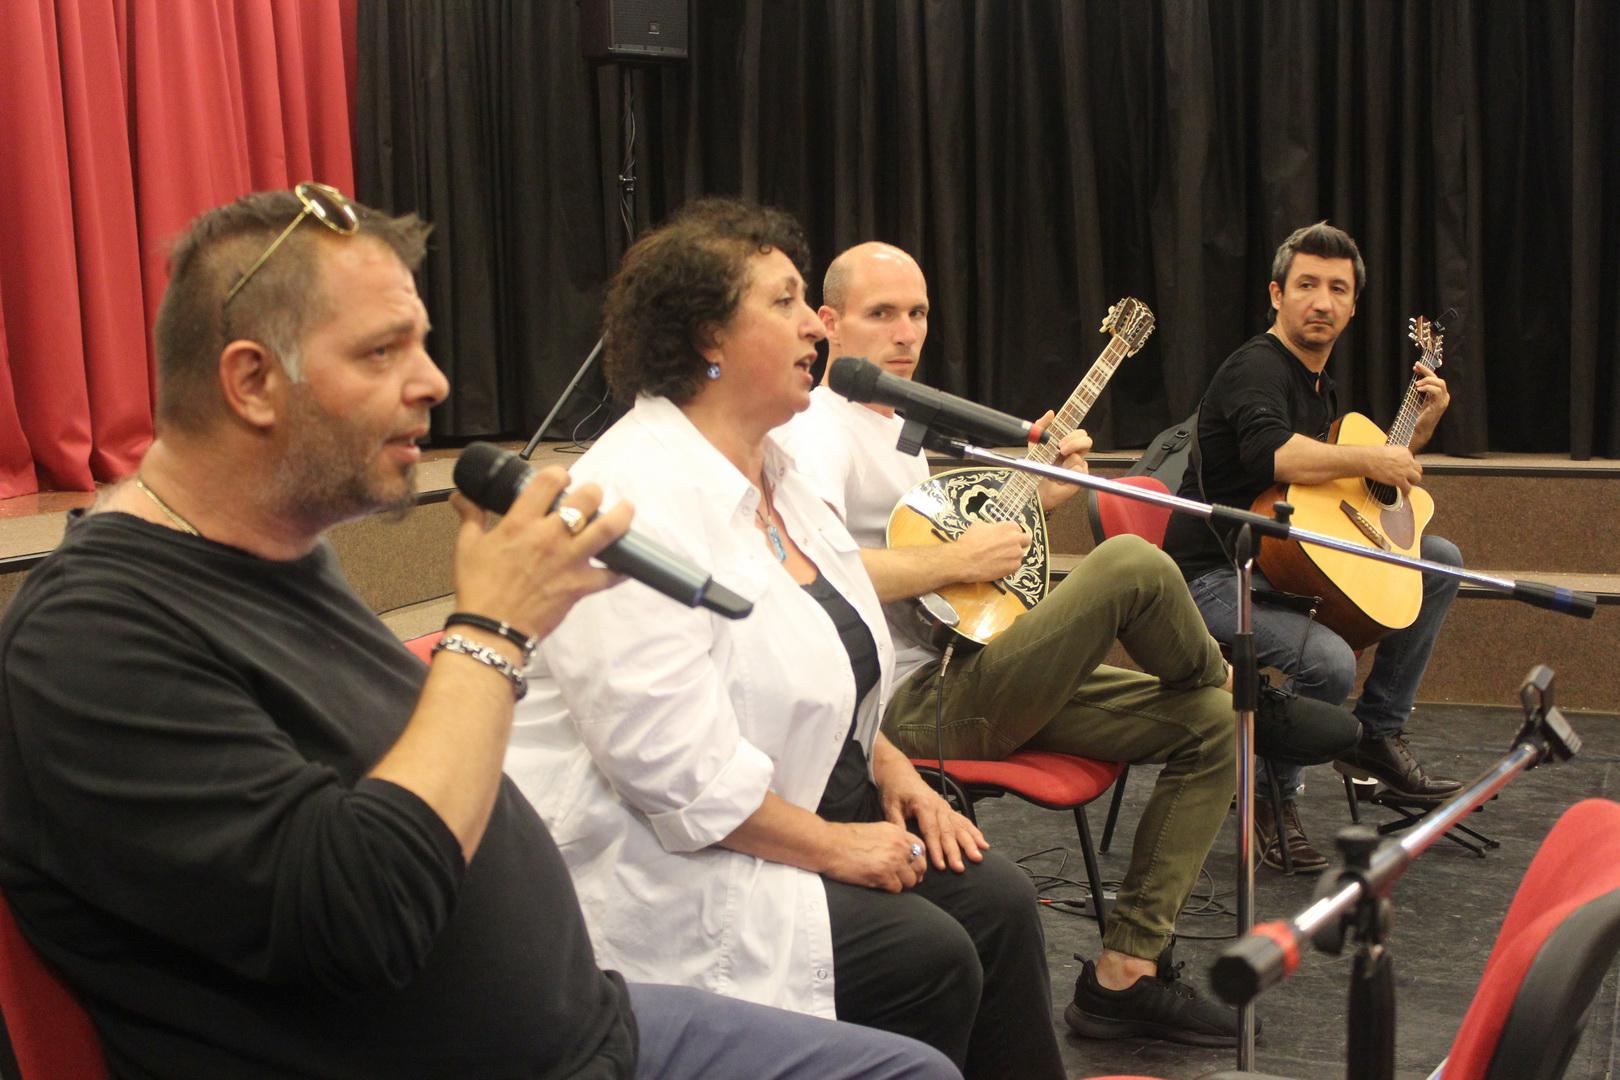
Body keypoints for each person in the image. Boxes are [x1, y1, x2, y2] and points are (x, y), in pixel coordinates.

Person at [0, 185, 957, 1080]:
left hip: (589, 1021)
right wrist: (492, 629)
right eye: (383, 352)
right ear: (252, 383)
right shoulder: (95, 639)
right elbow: (363, 915)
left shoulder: (285, 560)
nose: (433, 383)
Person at [506, 199, 1064, 1079]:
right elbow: (670, 771)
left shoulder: (781, 472)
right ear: (708, 337)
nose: (815, 325)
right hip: (668, 857)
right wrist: (837, 846)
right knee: (927, 955)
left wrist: (892, 768)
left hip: (800, 800)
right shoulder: (628, 498)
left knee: (998, 900)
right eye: (785, 302)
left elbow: (836, 655)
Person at [774, 241, 1325, 1049]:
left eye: (917, 313)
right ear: (828, 323)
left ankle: (1125, 975)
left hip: (970, 667)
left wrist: (1038, 500)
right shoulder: (818, 431)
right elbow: (810, 572)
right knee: (1132, 562)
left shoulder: (894, 428)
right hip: (907, 706)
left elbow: (950, 578)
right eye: (880, 314)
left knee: (1213, 725)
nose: (904, 332)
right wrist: (958, 560)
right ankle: (1256, 698)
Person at [1161, 220, 1464, 873]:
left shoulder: (1320, 384)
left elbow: (1340, 485)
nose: (1321, 301)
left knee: (1439, 562)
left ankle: (1376, 734)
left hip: (1284, 561)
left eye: (1337, 289)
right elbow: (1272, 454)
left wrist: (1413, 436)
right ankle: (1271, 797)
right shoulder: (1257, 368)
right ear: (1277, 294)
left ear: (1353, 306)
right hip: (1216, 571)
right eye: (1306, 285)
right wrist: (1375, 456)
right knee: (1326, 662)